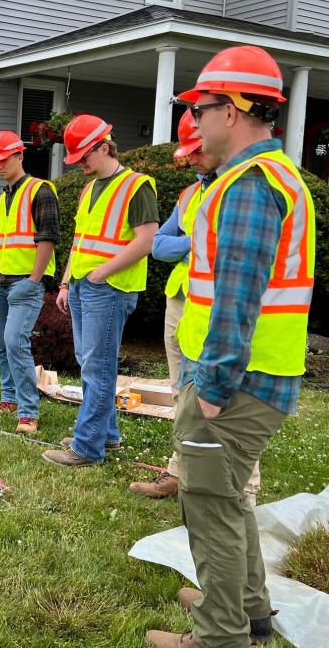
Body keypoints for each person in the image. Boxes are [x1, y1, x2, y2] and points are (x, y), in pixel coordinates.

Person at [146, 46, 315, 648]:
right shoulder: (258, 180)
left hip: (235, 383)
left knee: (209, 506)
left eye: (202, 109)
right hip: (254, 376)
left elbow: (237, 298)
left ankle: (219, 636)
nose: (193, 122)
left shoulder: (247, 187)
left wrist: (212, 387)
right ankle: (247, 608)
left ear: (236, 110)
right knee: (227, 498)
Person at [131, 110, 262, 504]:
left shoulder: (243, 190)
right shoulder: (190, 193)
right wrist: (196, 242)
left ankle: (244, 490)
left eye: (195, 150)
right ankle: (179, 472)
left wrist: (191, 242)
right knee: (182, 396)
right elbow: (159, 245)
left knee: (227, 403)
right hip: (182, 303)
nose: (189, 159)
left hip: (221, 311)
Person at [43, 115, 159, 468]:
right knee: (90, 362)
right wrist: (66, 282)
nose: (79, 164)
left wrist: (101, 274)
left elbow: (147, 239)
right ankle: (105, 435)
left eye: (84, 157)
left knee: (97, 366)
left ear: (104, 147)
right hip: (83, 285)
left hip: (109, 288)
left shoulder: (136, 186)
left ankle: (87, 446)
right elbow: (80, 240)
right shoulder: (89, 188)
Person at [0, 132, 59, 434]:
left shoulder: (41, 191)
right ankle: (9, 398)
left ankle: (28, 412)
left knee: (16, 342)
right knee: (3, 344)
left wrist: (35, 279)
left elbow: (49, 238)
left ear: (19, 156)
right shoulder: (1, 200)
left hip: (25, 282)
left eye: (3, 160)